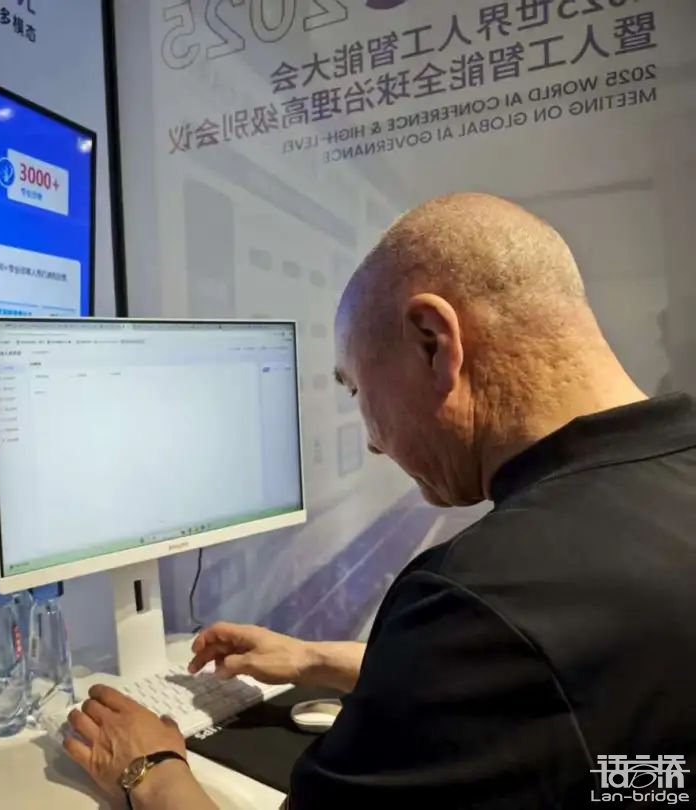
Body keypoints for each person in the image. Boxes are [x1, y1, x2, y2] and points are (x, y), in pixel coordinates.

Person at [62, 193, 696, 808]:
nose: (369, 439)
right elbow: (557, 682)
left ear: (432, 342)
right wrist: (315, 659)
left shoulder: (481, 597)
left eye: (356, 388)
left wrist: (150, 771)